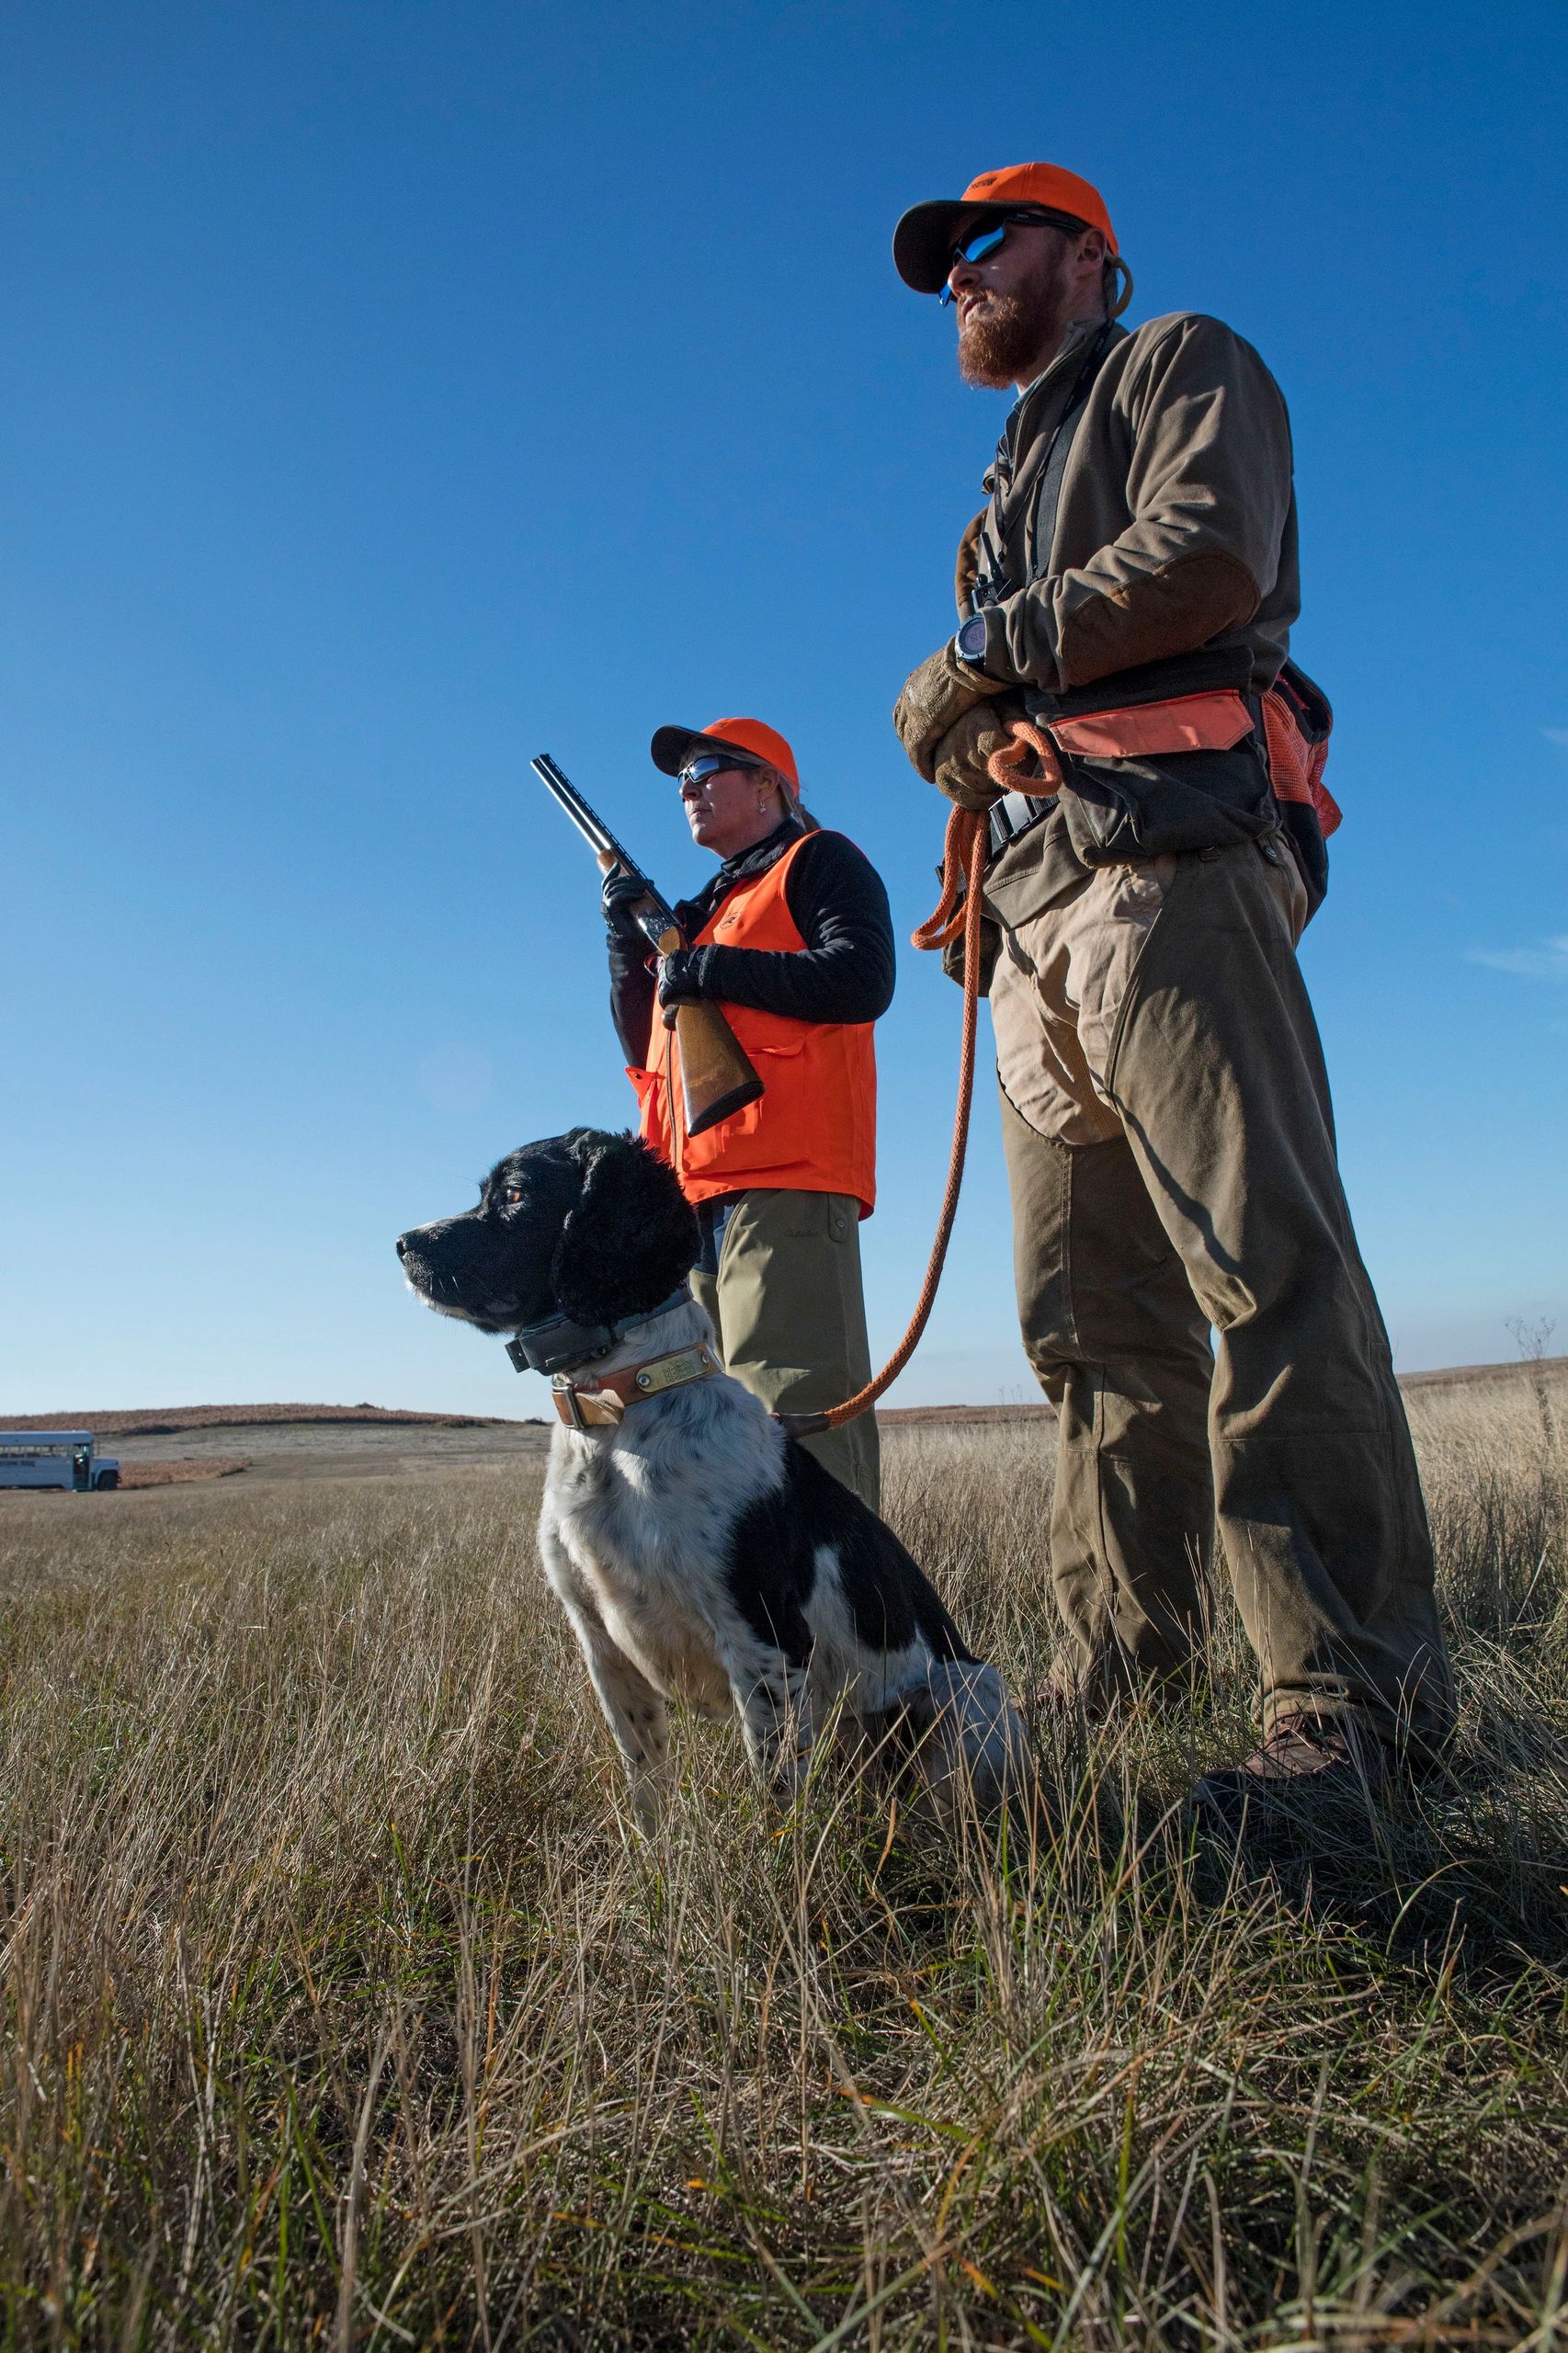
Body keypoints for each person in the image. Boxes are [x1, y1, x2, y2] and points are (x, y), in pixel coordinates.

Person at [889, 161, 1453, 1821]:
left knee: (1265, 1278)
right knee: (1088, 1332)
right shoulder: (998, 494)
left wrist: (971, 670)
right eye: (947, 267)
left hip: (1172, 871)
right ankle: (1118, 1664)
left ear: (1086, 254)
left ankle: (1358, 1720)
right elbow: (936, 730)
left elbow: (1206, 558)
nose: (959, 282)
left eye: (984, 246)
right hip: (1032, 922)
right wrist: (966, 699)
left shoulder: (1182, 362)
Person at [604, 716, 893, 1509]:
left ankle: (854, 1625)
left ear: (769, 783)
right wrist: (631, 949)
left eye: (704, 767)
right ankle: (771, 1621)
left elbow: (862, 977)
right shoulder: (709, 907)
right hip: (695, 1199)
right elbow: (651, 1050)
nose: (687, 787)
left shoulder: (817, 860)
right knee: (722, 1431)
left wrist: (711, 965)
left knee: (797, 1407)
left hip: (787, 1180)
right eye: (678, 781)